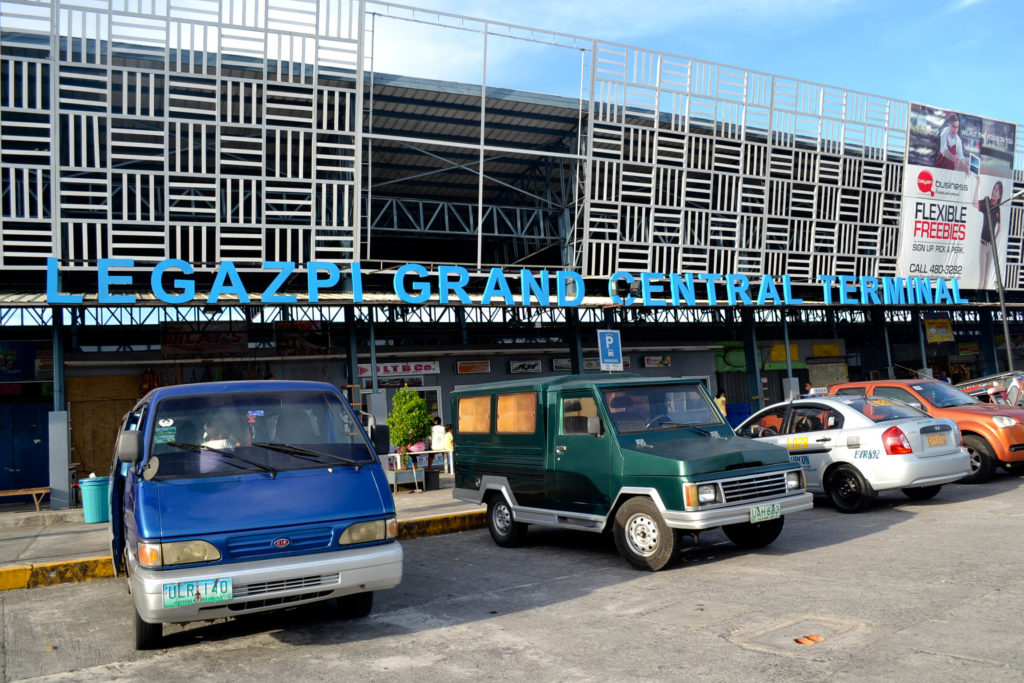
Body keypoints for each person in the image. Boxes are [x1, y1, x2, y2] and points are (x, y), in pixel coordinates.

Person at [974, 179, 1004, 290]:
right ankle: (978, 305)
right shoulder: (986, 202)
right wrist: (978, 184)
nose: (994, 191)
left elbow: (999, 227)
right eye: (994, 188)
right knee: (981, 279)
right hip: (983, 245)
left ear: (1000, 195)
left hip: (991, 247)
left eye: (997, 190)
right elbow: (974, 203)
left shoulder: (998, 209)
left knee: (986, 279)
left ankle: (983, 305)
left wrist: (994, 239)